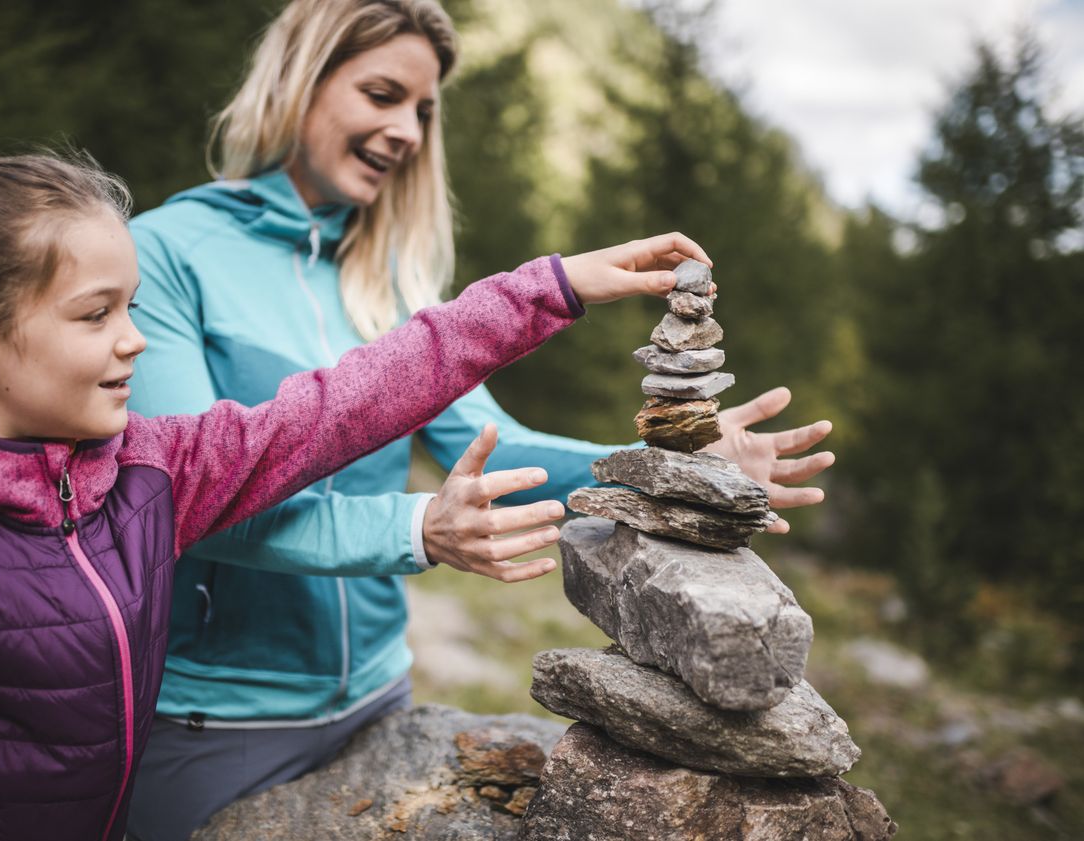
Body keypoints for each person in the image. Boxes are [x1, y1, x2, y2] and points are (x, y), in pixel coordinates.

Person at [0, 141, 712, 841]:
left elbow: (341, 406)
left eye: (133, 308)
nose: (134, 341)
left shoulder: (146, 471)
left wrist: (545, 290)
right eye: (96, 315)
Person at [123, 1, 835, 838]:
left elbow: (499, 447)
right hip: (215, 723)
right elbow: (181, 503)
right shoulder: (165, 256)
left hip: (380, 699)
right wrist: (414, 527)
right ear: (296, 80)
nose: (408, 132)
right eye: (382, 94)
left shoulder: (390, 279)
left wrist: (675, 465)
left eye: (422, 110)